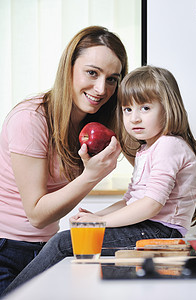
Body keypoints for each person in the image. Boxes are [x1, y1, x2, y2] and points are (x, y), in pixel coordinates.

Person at [2, 65, 196, 296]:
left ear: (168, 108)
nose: (135, 118)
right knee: (70, 244)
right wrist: (96, 216)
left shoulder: (168, 146)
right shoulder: (148, 149)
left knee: (64, 243)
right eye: (127, 109)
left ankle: (13, 296)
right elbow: (131, 200)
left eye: (145, 108)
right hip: (151, 227)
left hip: (160, 231)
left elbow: (151, 204)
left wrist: (99, 223)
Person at [0, 26, 127, 295]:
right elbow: (36, 215)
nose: (101, 88)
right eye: (92, 73)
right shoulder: (31, 119)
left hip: (42, 249)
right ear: (68, 68)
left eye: (112, 79)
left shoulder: (94, 124)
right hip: (5, 251)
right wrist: (92, 175)